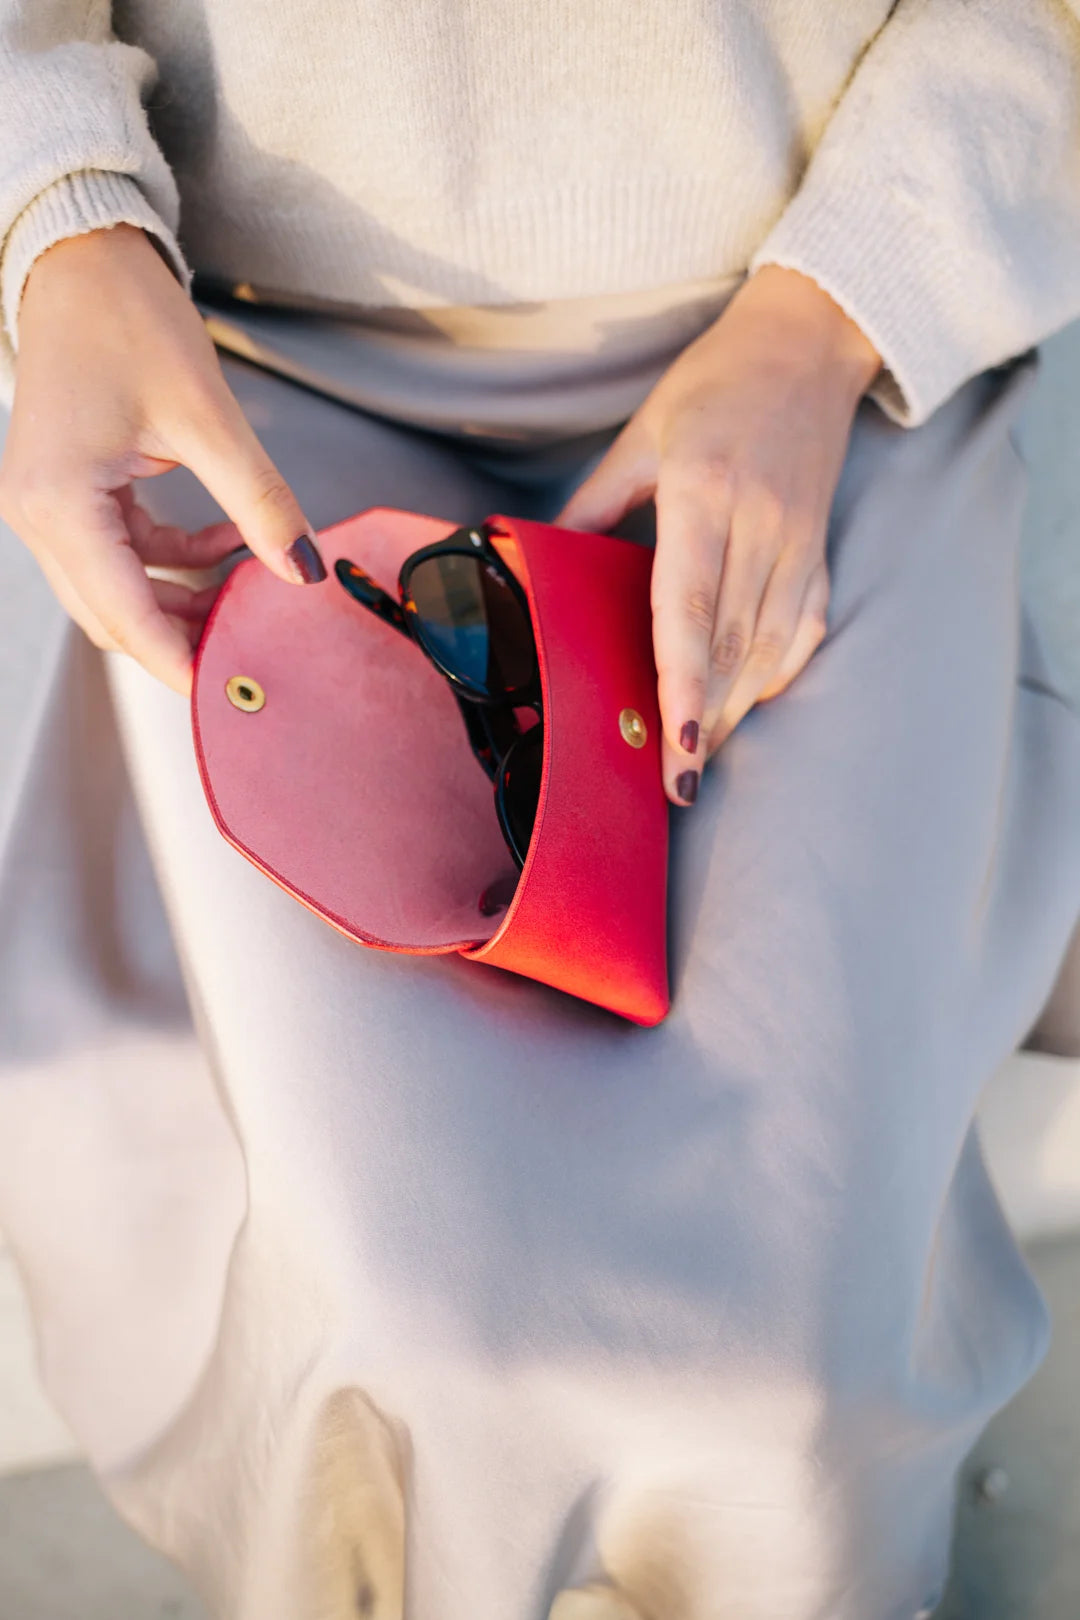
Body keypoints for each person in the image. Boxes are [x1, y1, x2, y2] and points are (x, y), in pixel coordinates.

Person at [1, 4, 1079, 1618]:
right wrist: (57, 217)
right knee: (401, 1300)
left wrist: (842, 308)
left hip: (820, 342)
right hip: (241, 373)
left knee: (791, 1341)